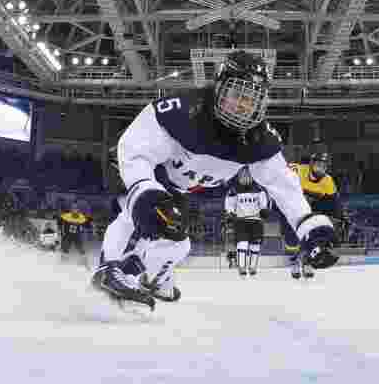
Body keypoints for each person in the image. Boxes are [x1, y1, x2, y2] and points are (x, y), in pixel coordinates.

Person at [91, 50, 338, 309]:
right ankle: (109, 268)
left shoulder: (260, 141)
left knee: (178, 244)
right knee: (137, 213)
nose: (243, 105)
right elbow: (135, 148)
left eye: (251, 99)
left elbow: (285, 189)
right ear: (219, 88)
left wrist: (312, 229)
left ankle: (142, 276)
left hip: (178, 188)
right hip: (147, 170)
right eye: (236, 95)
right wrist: (142, 188)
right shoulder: (180, 111)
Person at [281, 150, 343, 280]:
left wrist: (340, 217)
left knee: (315, 235)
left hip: (309, 212)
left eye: (324, 166)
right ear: (311, 164)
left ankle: (307, 261)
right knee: (291, 241)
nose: (320, 168)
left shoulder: (328, 181)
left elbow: (335, 202)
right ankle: (294, 260)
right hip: (290, 207)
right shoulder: (297, 170)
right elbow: (279, 174)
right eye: (318, 165)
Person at [224, 166, 270, 277]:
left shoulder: (259, 189)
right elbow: (229, 204)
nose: (245, 177)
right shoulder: (233, 190)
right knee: (242, 244)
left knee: (255, 245)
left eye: (248, 174)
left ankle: (253, 267)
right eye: (243, 175)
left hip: (256, 221)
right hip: (240, 221)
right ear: (239, 175)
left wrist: (264, 210)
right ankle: (241, 267)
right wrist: (230, 214)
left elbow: (264, 203)